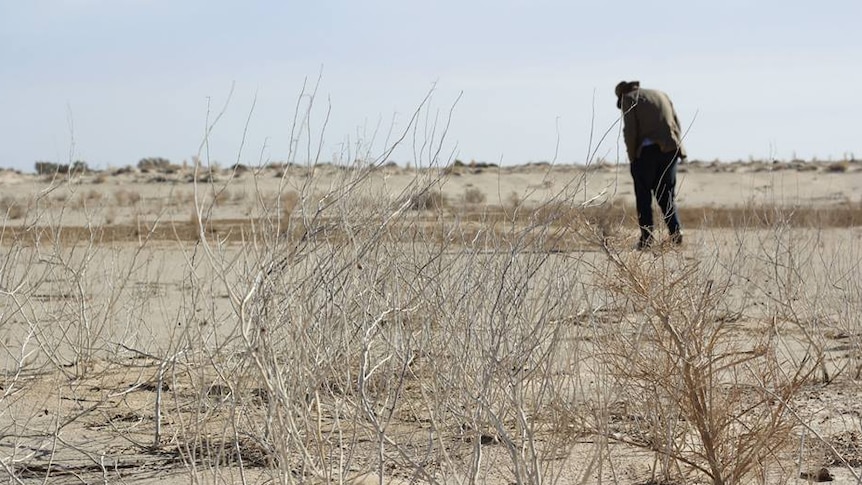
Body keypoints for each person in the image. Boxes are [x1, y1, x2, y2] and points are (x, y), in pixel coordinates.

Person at [615, 80, 686, 250]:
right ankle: (676, 232)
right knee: (666, 194)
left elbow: (630, 130)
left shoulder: (629, 98)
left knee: (643, 196)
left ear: (621, 94)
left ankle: (646, 238)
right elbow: (677, 124)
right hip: (670, 150)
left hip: (646, 153)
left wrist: (633, 157)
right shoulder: (661, 94)